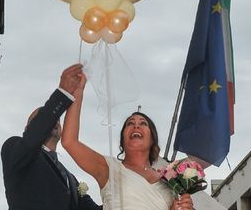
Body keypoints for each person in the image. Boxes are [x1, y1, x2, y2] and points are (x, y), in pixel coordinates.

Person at [61, 71, 195, 210]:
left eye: (143, 123)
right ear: (123, 140)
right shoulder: (109, 168)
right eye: (130, 123)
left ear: (152, 140)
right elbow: (69, 142)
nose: (136, 125)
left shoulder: (169, 180)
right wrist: (78, 92)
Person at [1, 64, 102, 210]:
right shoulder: (13, 148)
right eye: (41, 118)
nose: (54, 121)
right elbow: (35, 135)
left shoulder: (71, 179)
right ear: (28, 129)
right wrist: (63, 94)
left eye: (57, 120)